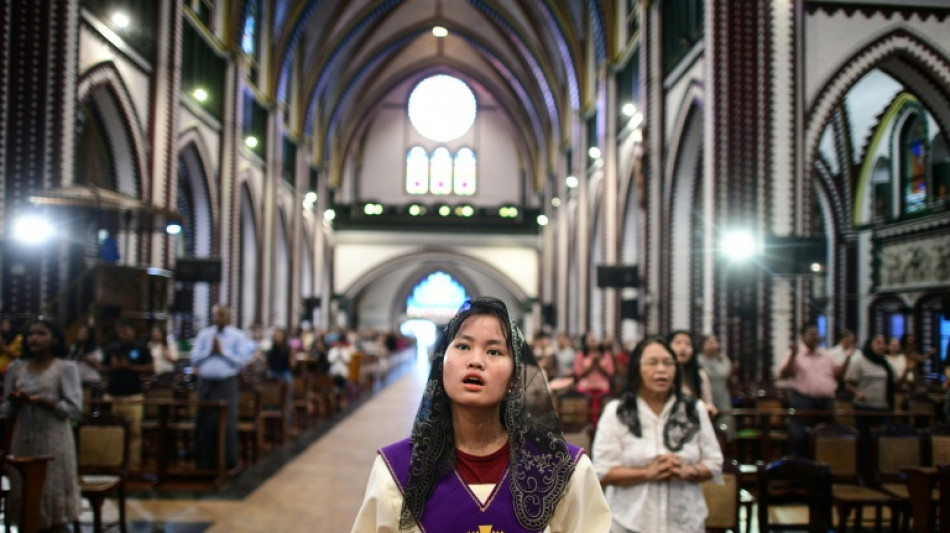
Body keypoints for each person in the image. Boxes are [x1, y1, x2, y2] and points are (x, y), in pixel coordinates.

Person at [351, 297, 611, 532]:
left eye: (494, 351)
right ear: (442, 363)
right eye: (463, 346)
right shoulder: (396, 471)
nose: (476, 360)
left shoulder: (565, 470)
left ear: (514, 376)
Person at [593, 335, 723, 533]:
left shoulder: (694, 410)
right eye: (652, 363)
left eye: (668, 363)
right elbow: (602, 471)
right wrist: (647, 473)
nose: (661, 369)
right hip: (629, 523)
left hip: (686, 523)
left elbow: (714, 462)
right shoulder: (617, 412)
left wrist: (690, 471)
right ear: (637, 368)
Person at [0, 317, 82, 531]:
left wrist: (45, 402)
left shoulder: (65, 368)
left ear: (54, 339)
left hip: (54, 437)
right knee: (25, 494)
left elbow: (74, 410)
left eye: (40, 333)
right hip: (24, 438)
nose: (33, 338)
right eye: (30, 334)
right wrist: (16, 403)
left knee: (51, 492)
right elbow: (5, 409)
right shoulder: (16, 368)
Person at [190, 305, 254, 470]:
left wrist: (222, 352)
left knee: (226, 422)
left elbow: (241, 361)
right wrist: (210, 352)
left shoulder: (237, 336)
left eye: (221, 315)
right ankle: (204, 462)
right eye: (215, 315)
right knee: (204, 422)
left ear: (228, 316)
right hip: (205, 383)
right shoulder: (205, 334)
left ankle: (228, 461)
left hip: (226, 383)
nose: (218, 318)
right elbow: (194, 358)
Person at [777, 324, 837, 457]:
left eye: (816, 333)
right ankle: (800, 467)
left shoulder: (826, 355)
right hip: (803, 400)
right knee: (799, 436)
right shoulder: (795, 354)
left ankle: (823, 466)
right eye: (811, 333)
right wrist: (793, 355)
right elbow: (783, 374)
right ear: (803, 337)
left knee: (825, 436)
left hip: (825, 401)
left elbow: (836, 375)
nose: (815, 336)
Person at [102, 319, 153, 472]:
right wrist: (112, 367)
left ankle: (132, 465)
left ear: (133, 332)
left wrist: (129, 366)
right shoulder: (112, 348)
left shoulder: (141, 348)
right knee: (111, 431)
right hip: (112, 395)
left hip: (133, 396)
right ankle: (112, 464)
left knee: (134, 433)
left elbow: (150, 368)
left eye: (126, 331)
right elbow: (102, 368)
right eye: (120, 331)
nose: (123, 334)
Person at [843, 334, 894, 471]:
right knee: (865, 441)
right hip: (864, 408)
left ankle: (880, 470)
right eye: (878, 343)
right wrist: (857, 392)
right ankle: (864, 470)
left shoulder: (885, 362)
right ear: (870, 344)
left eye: (883, 343)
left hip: (882, 407)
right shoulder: (859, 359)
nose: (882, 346)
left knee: (881, 442)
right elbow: (848, 382)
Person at [668, 330, 715, 417]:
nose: (683, 348)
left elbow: (708, 403)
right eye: (678, 343)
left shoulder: (700, 375)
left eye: (688, 344)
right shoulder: (663, 374)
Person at [698, 333, 735, 440]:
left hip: (722, 397)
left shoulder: (724, 360)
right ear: (702, 345)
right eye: (709, 342)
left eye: (714, 342)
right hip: (705, 397)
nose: (712, 345)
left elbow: (728, 378)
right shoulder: (698, 360)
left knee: (724, 427)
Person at [573, 333, 615, 429]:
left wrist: (599, 365)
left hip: (602, 387)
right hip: (585, 387)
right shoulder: (581, 355)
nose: (593, 342)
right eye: (590, 340)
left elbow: (610, 374)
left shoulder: (606, 355)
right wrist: (592, 364)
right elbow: (578, 374)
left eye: (594, 339)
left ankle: (601, 427)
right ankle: (588, 427)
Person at [828, 329, 861, 395]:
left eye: (851, 341)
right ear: (842, 339)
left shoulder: (859, 354)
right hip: (837, 387)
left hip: (854, 385)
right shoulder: (831, 353)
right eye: (847, 340)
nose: (849, 343)